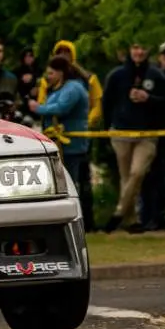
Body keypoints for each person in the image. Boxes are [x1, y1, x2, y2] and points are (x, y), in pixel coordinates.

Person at [102, 43, 165, 233]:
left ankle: (118, 213)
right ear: (129, 50)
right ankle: (131, 220)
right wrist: (106, 130)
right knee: (126, 177)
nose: (139, 52)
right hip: (121, 133)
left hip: (147, 135)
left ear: (148, 51)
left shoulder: (157, 75)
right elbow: (106, 104)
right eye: (135, 47)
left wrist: (148, 98)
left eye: (143, 48)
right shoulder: (116, 75)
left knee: (137, 173)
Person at [38, 40, 103, 231]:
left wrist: (39, 109)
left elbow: (95, 105)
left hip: (74, 141)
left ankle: (81, 222)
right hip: (59, 140)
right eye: (60, 52)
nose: (65, 55)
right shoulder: (52, 84)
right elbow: (47, 102)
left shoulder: (83, 82)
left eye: (67, 52)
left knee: (74, 183)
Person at [28, 55, 89, 185]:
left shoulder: (72, 88)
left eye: (51, 73)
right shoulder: (61, 88)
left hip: (71, 145)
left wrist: (38, 108)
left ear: (61, 73)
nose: (47, 76)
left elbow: (62, 108)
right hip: (60, 145)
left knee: (69, 182)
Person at [140, 42, 165, 230]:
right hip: (149, 130)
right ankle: (148, 216)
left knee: (163, 176)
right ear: (159, 55)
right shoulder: (151, 73)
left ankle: (163, 215)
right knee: (147, 175)